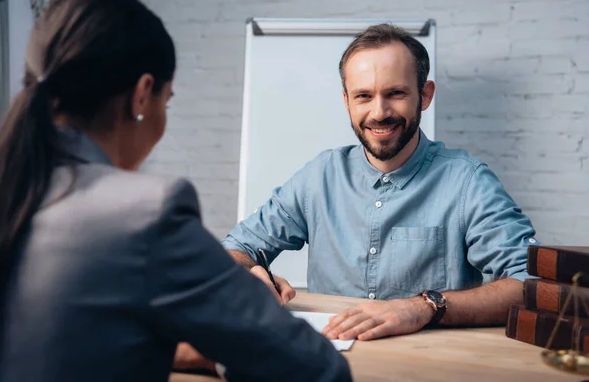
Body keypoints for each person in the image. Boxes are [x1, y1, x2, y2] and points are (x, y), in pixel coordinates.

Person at [0, 0, 352, 382]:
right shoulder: (144, 212)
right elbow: (315, 367)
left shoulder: (7, 189)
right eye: (169, 99)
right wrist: (238, 309)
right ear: (142, 95)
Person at [223, 23, 539, 342]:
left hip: (428, 365)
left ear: (424, 95)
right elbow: (234, 249)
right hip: (330, 360)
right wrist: (250, 275)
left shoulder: (468, 182)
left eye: (395, 93)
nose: (379, 112)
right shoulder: (318, 177)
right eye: (363, 96)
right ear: (347, 101)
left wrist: (425, 306)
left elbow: (530, 285)